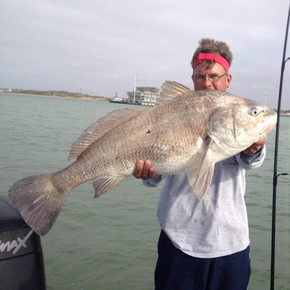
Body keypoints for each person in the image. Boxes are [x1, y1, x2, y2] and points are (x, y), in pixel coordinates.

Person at [133, 38, 266, 290]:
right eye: (199, 77)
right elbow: (153, 177)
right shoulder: (170, 113)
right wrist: (146, 173)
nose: (207, 83)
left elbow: (249, 160)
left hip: (230, 245)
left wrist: (255, 147)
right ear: (192, 79)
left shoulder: (235, 114)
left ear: (228, 80)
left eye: (214, 76)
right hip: (177, 241)